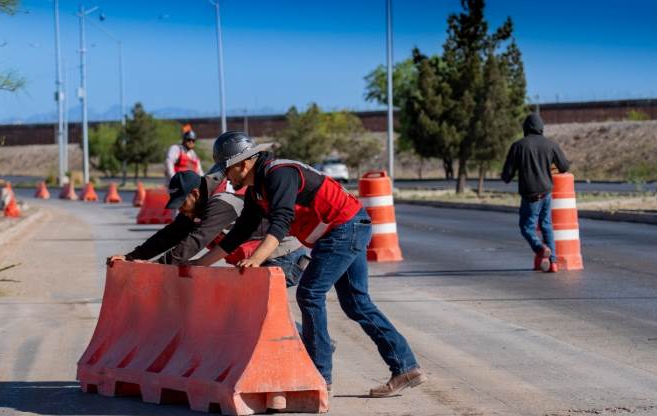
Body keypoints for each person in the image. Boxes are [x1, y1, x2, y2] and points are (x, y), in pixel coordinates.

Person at [194, 132, 424, 397]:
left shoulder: (277, 175)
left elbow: (280, 222)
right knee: (357, 303)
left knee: (310, 294)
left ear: (242, 164)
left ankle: (318, 377)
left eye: (226, 169)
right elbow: (238, 234)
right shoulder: (257, 191)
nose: (226, 178)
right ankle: (406, 366)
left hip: (344, 228)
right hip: (347, 227)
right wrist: (201, 264)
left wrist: (256, 259)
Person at [108, 170, 308, 286]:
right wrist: (131, 258)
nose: (180, 211)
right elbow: (169, 235)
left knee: (246, 308)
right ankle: (304, 340)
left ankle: (303, 341)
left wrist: (159, 266)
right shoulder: (196, 206)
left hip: (284, 257)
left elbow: (197, 239)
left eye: (181, 204)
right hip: (258, 261)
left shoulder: (221, 203)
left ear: (194, 194)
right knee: (244, 310)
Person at [501, 113, 571, 273]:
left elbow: (507, 175)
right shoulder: (550, 145)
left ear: (525, 128)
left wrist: (507, 175)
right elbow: (564, 167)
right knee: (546, 225)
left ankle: (540, 249)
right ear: (541, 128)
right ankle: (553, 263)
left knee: (526, 227)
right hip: (546, 192)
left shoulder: (518, 146)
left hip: (530, 195)